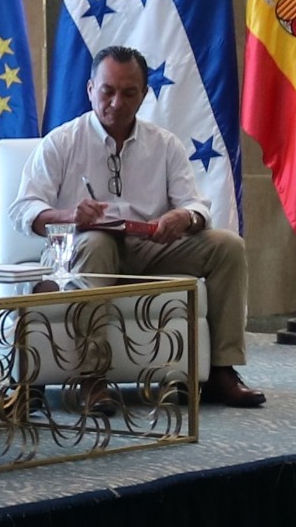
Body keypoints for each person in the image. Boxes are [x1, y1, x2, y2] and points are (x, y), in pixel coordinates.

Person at [17, 45, 267, 408]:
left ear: (144, 94)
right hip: (81, 250)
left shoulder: (164, 144)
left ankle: (221, 371)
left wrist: (184, 217)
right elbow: (24, 209)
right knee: (97, 242)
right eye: (108, 91)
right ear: (90, 89)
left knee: (227, 245)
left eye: (129, 93)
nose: (117, 103)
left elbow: (196, 204)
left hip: (150, 247)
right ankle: (90, 378)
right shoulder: (62, 141)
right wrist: (70, 216)